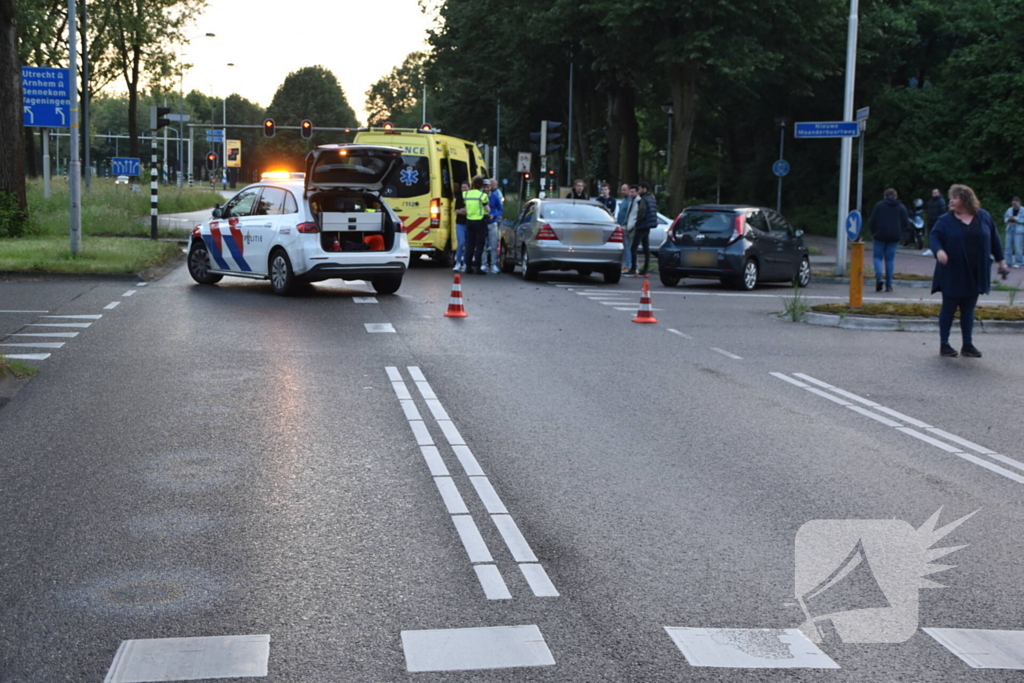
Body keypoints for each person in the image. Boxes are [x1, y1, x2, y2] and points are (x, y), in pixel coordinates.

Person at [930, 184, 1007, 358]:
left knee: (968, 309)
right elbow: (934, 237)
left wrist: (1001, 261)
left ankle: (967, 344)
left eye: (955, 198)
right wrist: (939, 251)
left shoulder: (983, 217)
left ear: (965, 199)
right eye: (950, 197)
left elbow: (994, 239)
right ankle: (944, 344)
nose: (951, 201)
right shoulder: (945, 220)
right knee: (949, 307)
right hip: (952, 271)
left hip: (976, 271)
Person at [868, 188, 908, 292]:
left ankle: (879, 277)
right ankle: (889, 284)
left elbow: (872, 221)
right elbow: (905, 223)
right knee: (890, 259)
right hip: (894, 236)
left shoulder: (879, 206)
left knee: (877, 257)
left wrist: (874, 232)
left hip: (879, 235)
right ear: (895, 196)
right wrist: (900, 233)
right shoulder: (901, 207)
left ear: (885, 196)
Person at [628, 182, 658, 277]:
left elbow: (641, 213)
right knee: (646, 248)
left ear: (644, 189)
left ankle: (633, 268)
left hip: (641, 226)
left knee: (634, 247)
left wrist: (637, 223)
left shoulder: (643, 200)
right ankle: (645, 270)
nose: (639, 191)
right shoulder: (652, 199)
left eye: (640, 189)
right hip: (648, 226)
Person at [463, 176, 490, 274]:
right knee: (479, 245)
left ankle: (468, 266)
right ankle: (477, 267)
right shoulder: (482, 196)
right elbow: (487, 209)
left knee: (469, 245)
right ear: (482, 185)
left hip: (469, 221)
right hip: (479, 222)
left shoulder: (466, 194)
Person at [616, 184, 637, 273]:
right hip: (621, 226)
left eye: (624, 190)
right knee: (624, 247)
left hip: (626, 227)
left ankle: (628, 265)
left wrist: (627, 225)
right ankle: (626, 264)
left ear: (629, 190)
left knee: (627, 246)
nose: (622, 192)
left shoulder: (630, 201)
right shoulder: (624, 200)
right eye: (621, 190)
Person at [484, 178, 503, 273]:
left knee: (493, 244)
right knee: (483, 244)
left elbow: (500, 209)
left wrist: (493, 215)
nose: (486, 189)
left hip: (492, 223)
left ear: (491, 187)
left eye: (488, 187)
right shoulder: (480, 196)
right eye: (485, 187)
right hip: (482, 223)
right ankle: (484, 264)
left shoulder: (495, 197)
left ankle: (493, 264)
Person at [924, 188, 947, 256]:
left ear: (939, 193)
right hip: (930, 220)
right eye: (933, 193)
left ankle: (937, 249)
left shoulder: (941, 201)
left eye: (935, 193)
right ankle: (930, 248)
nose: (934, 194)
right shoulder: (931, 201)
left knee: (937, 235)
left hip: (936, 221)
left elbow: (943, 211)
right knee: (930, 234)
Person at [452, 180, 470, 271]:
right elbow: (456, 210)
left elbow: (469, 210)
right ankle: (458, 263)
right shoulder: (459, 198)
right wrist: (464, 211)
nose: (463, 189)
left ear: (469, 188)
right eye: (462, 188)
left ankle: (466, 263)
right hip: (460, 223)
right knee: (461, 243)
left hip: (469, 223)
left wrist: (464, 211)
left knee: (468, 244)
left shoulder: (471, 198)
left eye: (465, 187)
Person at [1003, 197, 1024, 268]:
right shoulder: (1009, 210)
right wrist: (1008, 219)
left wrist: (1015, 218)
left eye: (1016, 204)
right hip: (1010, 229)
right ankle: (1008, 262)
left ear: (1019, 203)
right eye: (1013, 204)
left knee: (1018, 247)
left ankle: (1019, 262)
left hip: (1019, 230)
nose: (1014, 205)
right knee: (1008, 247)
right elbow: (1005, 218)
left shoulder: (1023, 210)